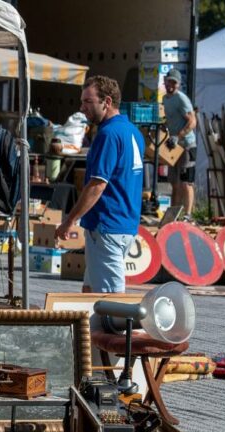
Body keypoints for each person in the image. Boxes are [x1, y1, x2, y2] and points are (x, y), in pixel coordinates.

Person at [56, 76, 144, 294]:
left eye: (88, 101)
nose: (82, 107)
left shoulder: (108, 134)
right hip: (123, 224)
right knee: (90, 290)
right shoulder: (132, 131)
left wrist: (69, 220)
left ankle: (112, 319)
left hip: (107, 226)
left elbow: (97, 185)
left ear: (107, 101)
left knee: (111, 298)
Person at [162, 68, 197, 217]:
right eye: (168, 81)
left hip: (187, 145)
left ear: (178, 84)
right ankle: (174, 215)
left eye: (174, 82)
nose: (170, 85)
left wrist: (178, 136)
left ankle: (188, 215)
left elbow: (193, 122)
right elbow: (170, 119)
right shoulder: (165, 99)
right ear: (165, 81)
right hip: (174, 146)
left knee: (186, 182)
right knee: (174, 183)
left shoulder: (182, 99)